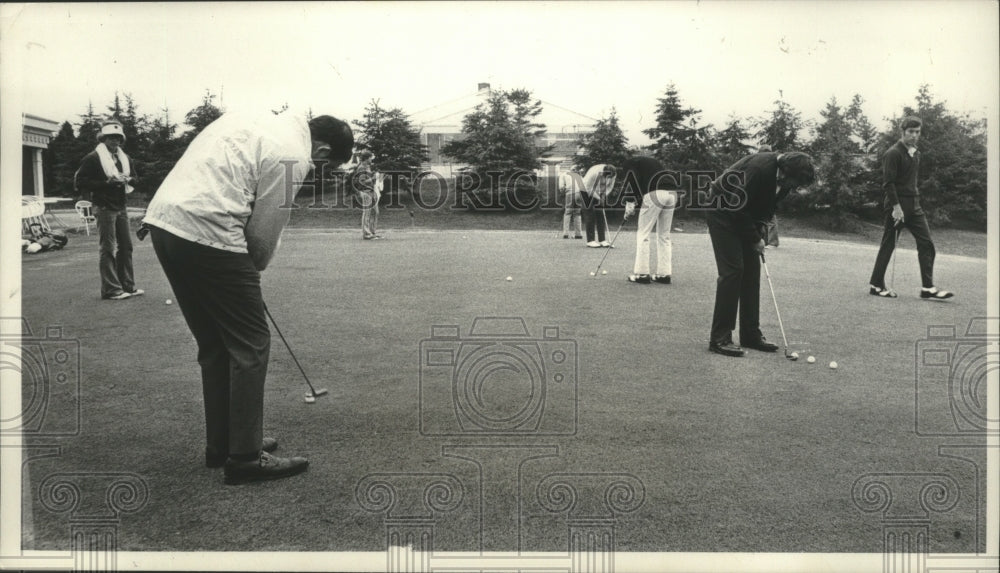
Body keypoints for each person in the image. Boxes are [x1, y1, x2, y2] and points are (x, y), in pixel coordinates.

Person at [143, 111, 354, 484]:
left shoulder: (254, 120)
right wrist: (247, 271)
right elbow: (265, 229)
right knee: (250, 344)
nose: (319, 170)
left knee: (214, 343)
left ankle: (223, 444)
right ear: (321, 147)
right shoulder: (294, 153)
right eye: (327, 163)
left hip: (164, 224)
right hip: (210, 231)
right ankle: (244, 457)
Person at [706, 151, 816, 357]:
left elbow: (767, 205)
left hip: (742, 213)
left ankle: (750, 334)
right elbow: (735, 205)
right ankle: (719, 338)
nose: (793, 187)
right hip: (721, 210)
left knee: (751, 272)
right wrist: (755, 238)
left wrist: (761, 229)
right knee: (733, 272)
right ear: (784, 172)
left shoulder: (783, 177)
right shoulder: (759, 169)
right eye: (794, 182)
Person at [867, 116, 953, 300]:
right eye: (910, 132)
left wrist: (913, 203)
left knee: (927, 244)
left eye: (917, 132)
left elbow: (910, 181)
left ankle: (928, 288)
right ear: (903, 132)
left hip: (914, 205)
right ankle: (876, 285)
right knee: (888, 245)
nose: (914, 135)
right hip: (896, 205)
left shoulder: (916, 153)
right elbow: (888, 184)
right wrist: (896, 208)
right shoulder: (893, 153)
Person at [75, 121, 142, 300]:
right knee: (108, 248)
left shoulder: (125, 158)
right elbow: (80, 182)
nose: (115, 141)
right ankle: (111, 290)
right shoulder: (93, 158)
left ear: (122, 140)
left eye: (118, 138)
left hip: (120, 206)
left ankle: (127, 286)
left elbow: (136, 178)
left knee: (126, 246)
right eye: (111, 138)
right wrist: (106, 183)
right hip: (104, 206)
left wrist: (129, 179)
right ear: (103, 138)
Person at [621, 156, 678, 284]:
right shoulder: (650, 162)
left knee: (643, 233)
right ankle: (664, 275)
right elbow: (642, 186)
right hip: (672, 193)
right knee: (664, 235)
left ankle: (642, 274)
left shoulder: (628, 163)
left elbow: (632, 182)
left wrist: (629, 204)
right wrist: (634, 203)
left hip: (655, 193)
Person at [580, 163, 617, 247]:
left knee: (600, 213)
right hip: (585, 190)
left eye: (610, 177)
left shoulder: (613, 174)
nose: (609, 179)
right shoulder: (594, 173)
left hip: (599, 191)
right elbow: (589, 189)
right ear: (603, 173)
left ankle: (602, 240)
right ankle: (590, 241)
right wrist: (599, 198)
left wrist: (603, 195)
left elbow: (610, 187)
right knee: (590, 214)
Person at [351, 149, 384, 240]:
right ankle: (366, 234)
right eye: (370, 158)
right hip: (365, 192)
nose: (371, 159)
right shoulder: (361, 167)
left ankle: (372, 232)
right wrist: (373, 178)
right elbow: (361, 182)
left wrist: (375, 176)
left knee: (375, 212)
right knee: (367, 212)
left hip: (371, 191)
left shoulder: (367, 167)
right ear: (366, 158)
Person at [559, 167, 584, 239]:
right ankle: (578, 234)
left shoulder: (563, 175)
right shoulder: (578, 175)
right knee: (577, 213)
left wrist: (563, 192)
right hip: (579, 194)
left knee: (568, 213)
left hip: (570, 194)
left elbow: (561, 188)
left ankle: (565, 233)